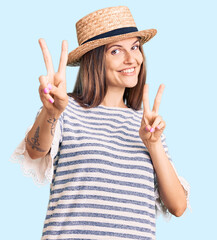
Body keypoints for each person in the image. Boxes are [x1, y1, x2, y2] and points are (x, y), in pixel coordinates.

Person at [10, 6, 190, 240]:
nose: (132, 59)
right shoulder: (65, 109)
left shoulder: (147, 125)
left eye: (135, 47)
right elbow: (35, 151)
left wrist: (154, 145)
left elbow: (178, 207)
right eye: (116, 51)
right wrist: (51, 113)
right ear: (94, 59)